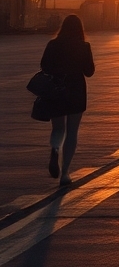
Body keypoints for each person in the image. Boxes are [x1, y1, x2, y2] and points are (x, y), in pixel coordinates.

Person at [40, 14, 95, 188]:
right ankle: (65, 173)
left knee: (58, 128)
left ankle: (55, 149)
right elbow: (89, 72)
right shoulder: (84, 46)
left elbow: (44, 66)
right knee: (72, 132)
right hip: (76, 92)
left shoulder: (53, 45)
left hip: (57, 90)